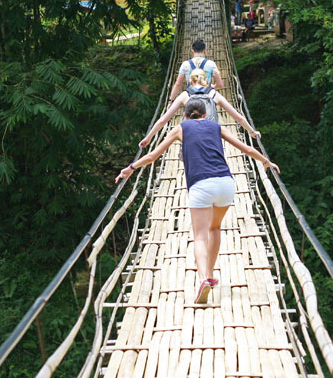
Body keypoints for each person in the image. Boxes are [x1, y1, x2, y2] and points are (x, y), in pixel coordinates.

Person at [116, 98, 279, 304]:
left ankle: (203, 279)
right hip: (226, 184)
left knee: (200, 237)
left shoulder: (179, 129)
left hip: (201, 186)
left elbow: (152, 156)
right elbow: (246, 148)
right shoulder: (216, 126)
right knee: (215, 228)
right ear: (205, 114)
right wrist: (266, 161)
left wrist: (130, 169)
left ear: (185, 115)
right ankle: (210, 274)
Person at [141, 69, 259, 147]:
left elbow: (163, 120)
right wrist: (252, 132)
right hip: (211, 137)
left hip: (190, 138)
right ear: (205, 80)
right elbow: (238, 117)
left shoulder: (184, 95)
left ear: (190, 81)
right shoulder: (214, 94)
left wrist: (148, 138)